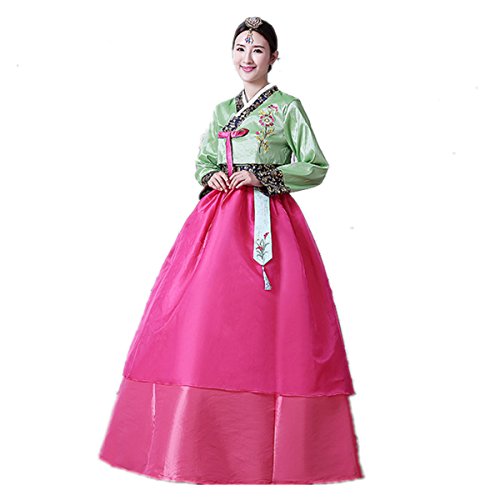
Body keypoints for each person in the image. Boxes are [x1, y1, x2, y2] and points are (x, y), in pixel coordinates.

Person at [99, 16, 364, 485]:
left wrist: (261, 176)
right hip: (218, 223)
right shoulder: (223, 109)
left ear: (274, 57)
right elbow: (204, 158)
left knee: (269, 320)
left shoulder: (287, 108)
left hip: (268, 222)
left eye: (257, 49)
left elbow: (315, 165)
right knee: (206, 318)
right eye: (241, 48)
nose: (247, 57)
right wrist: (213, 175)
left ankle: (270, 442)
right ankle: (201, 438)